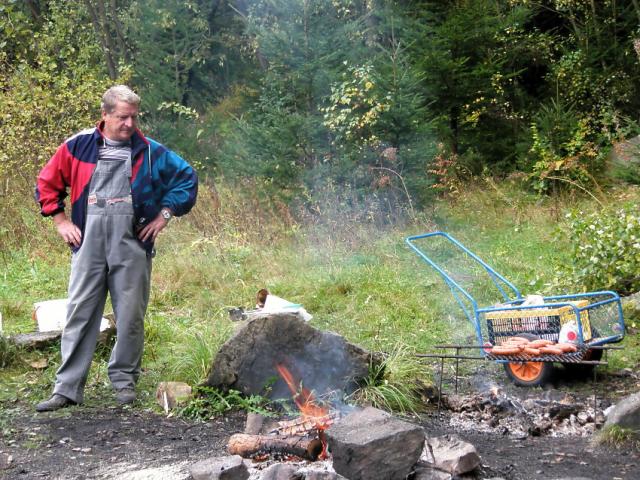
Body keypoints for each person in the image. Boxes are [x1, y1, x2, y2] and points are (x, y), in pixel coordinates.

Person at [35, 85, 198, 411]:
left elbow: (187, 179)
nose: (129, 124)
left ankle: (124, 383)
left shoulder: (150, 151)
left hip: (132, 244)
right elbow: (47, 182)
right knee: (80, 313)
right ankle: (67, 389)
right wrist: (61, 222)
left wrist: (164, 215)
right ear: (105, 114)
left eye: (133, 117)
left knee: (130, 317)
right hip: (88, 243)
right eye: (122, 117)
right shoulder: (77, 146)